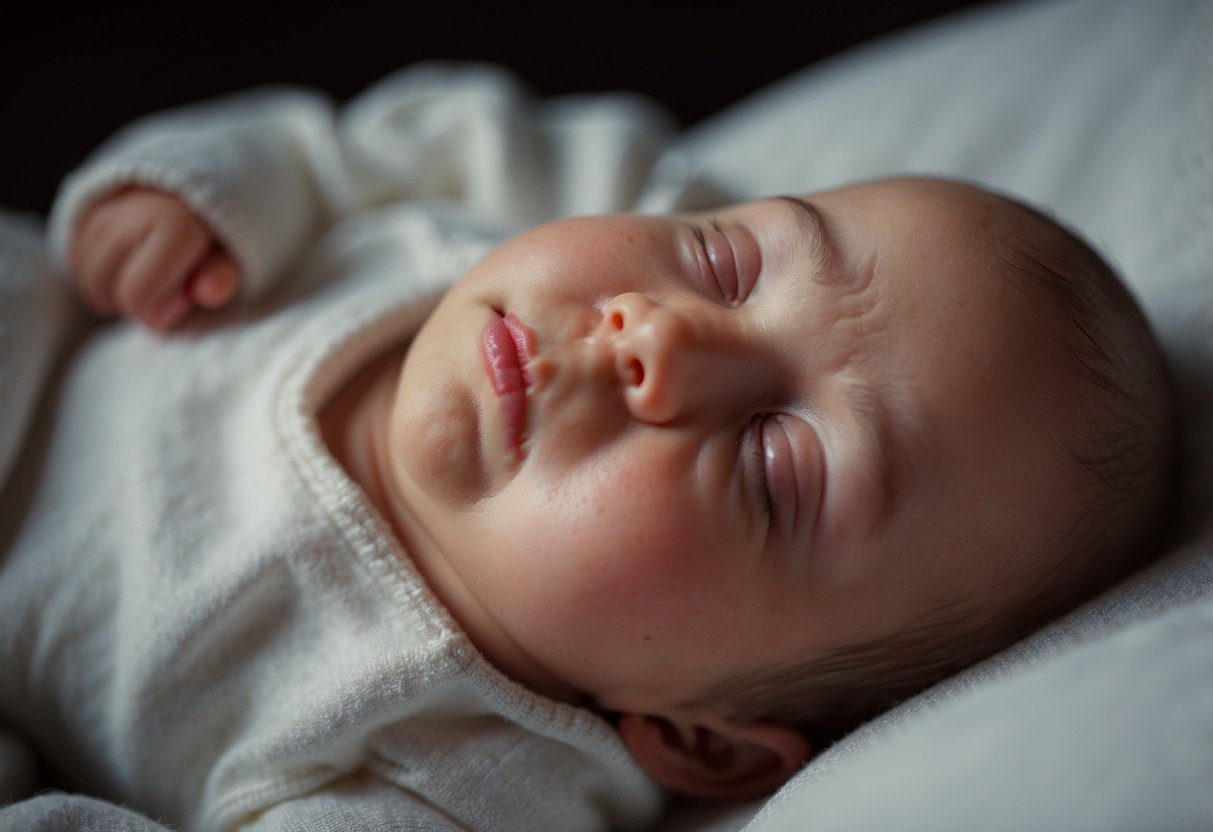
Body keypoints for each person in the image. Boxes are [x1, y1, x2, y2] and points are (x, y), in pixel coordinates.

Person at [0, 65, 1175, 831]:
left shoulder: (439, 774)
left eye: (776, 465)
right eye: (727, 263)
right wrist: (195, 200)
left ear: (693, 740)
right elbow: (336, 152)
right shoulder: (496, 214)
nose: (659, 335)